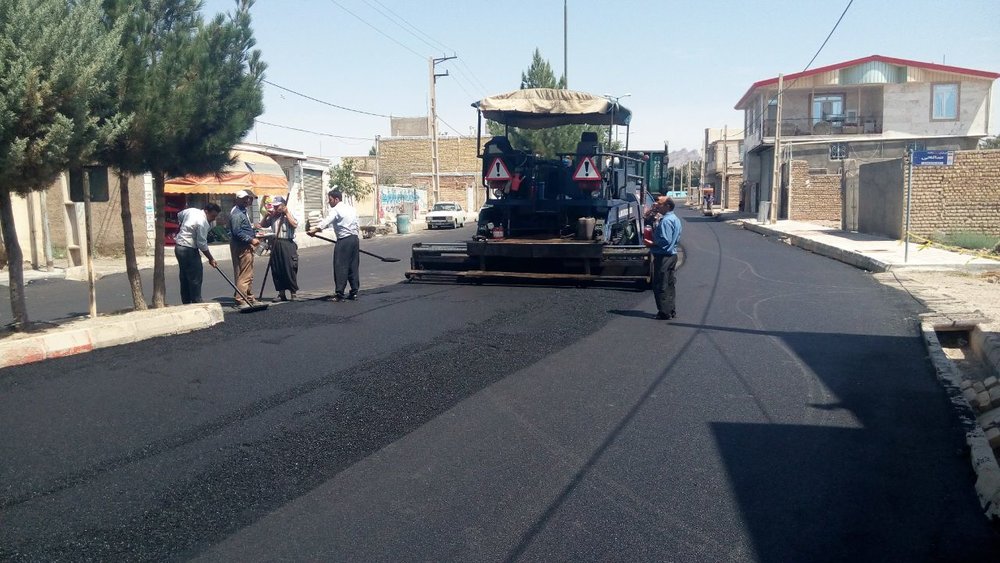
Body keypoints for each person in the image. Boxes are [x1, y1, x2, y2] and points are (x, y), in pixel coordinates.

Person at [308, 188, 359, 301]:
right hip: (354, 239)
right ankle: (354, 291)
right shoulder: (351, 209)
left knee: (340, 266)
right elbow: (357, 224)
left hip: (344, 240)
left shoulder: (336, 210)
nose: (329, 202)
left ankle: (340, 294)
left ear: (336, 199)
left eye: (330, 200)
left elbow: (326, 221)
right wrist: (354, 238)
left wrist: (315, 230)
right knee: (353, 266)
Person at [174, 203, 220, 304]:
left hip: (178, 247)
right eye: (213, 216)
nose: (214, 219)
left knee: (184, 276)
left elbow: (179, 215)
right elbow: (202, 244)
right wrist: (211, 259)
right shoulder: (202, 222)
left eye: (216, 216)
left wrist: (185, 228)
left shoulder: (192, 210)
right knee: (195, 277)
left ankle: (186, 302)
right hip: (188, 249)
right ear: (206, 211)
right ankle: (196, 301)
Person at [260, 195, 298, 301]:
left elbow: (294, 224)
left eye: (278, 206)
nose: (276, 208)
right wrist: (266, 215)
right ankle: (281, 293)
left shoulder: (289, 214)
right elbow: (262, 225)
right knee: (277, 269)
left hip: (287, 243)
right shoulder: (273, 216)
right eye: (275, 206)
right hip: (275, 244)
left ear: (283, 206)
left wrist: (286, 213)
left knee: (289, 268)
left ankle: (293, 293)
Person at [228, 189, 261, 308]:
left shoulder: (243, 211)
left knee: (248, 273)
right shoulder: (237, 213)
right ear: (237, 200)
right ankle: (241, 299)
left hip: (244, 245)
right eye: (243, 199)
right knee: (245, 273)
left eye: (247, 198)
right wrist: (251, 239)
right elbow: (237, 232)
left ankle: (249, 297)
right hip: (241, 246)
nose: (246, 200)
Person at [651, 197, 682, 321]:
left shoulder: (666, 221)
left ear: (668, 206)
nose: (657, 205)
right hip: (672, 255)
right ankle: (671, 309)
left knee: (660, 284)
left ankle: (664, 312)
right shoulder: (675, 219)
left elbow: (665, 240)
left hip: (663, 256)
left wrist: (652, 242)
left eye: (660, 203)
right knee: (670, 283)